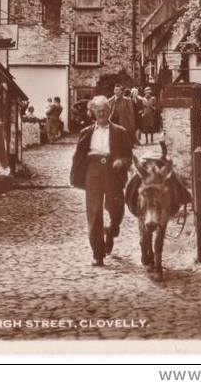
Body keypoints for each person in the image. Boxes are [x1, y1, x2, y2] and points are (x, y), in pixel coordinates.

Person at [70, 95, 132, 266]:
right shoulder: (86, 132)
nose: (102, 113)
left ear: (110, 111)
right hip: (93, 172)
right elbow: (79, 156)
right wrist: (77, 175)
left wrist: (122, 161)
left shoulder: (120, 132)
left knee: (116, 209)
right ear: (93, 112)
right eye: (99, 111)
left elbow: (129, 156)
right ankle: (98, 253)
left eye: (105, 110)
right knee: (95, 212)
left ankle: (112, 230)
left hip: (113, 172)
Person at [108, 83, 136, 148]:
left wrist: (131, 125)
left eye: (118, 90)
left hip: (123, 123)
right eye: (116, 90)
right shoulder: (109, 101)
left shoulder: (127, 101)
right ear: (114, 91)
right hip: (113, 123)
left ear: (121, 91)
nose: (117, 92)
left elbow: (131, 114)